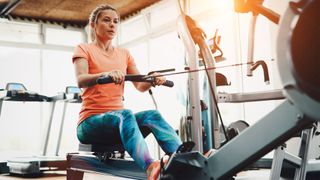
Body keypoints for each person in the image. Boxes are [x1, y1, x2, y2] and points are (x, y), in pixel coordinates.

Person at [72, 4, 182, 180]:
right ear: (94, 24)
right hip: (90, 123)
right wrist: (106, 74)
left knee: (152, 115)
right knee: (125, 114)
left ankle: (183, 158)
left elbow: (140, 85)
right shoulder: (84, 49)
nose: (112, 25)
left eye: (116, 21)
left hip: (118, 121)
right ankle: (150, 166)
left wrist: (152, 79)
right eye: (106, 20)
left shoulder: (124, 54)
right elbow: (81, 80)